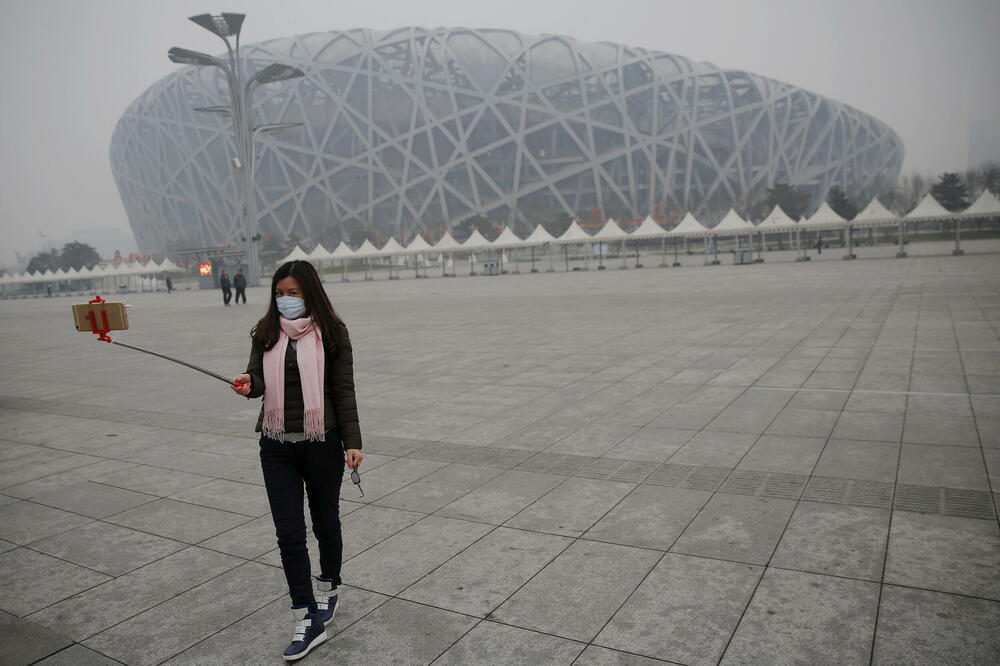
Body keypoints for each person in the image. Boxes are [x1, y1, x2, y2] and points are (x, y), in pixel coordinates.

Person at [231, 260, 363, 662]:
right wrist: (249, 383)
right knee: (289, 533)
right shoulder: (266, 331)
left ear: (310, 292)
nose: (285, 300)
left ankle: (329, 589)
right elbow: (258, 377)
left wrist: (353, 442)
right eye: (280, 292)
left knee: (325, 521)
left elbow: (343, 390)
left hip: (323, 442)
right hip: (276, 446)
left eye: (293, 292)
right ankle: (307, 617)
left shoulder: (333, 333)